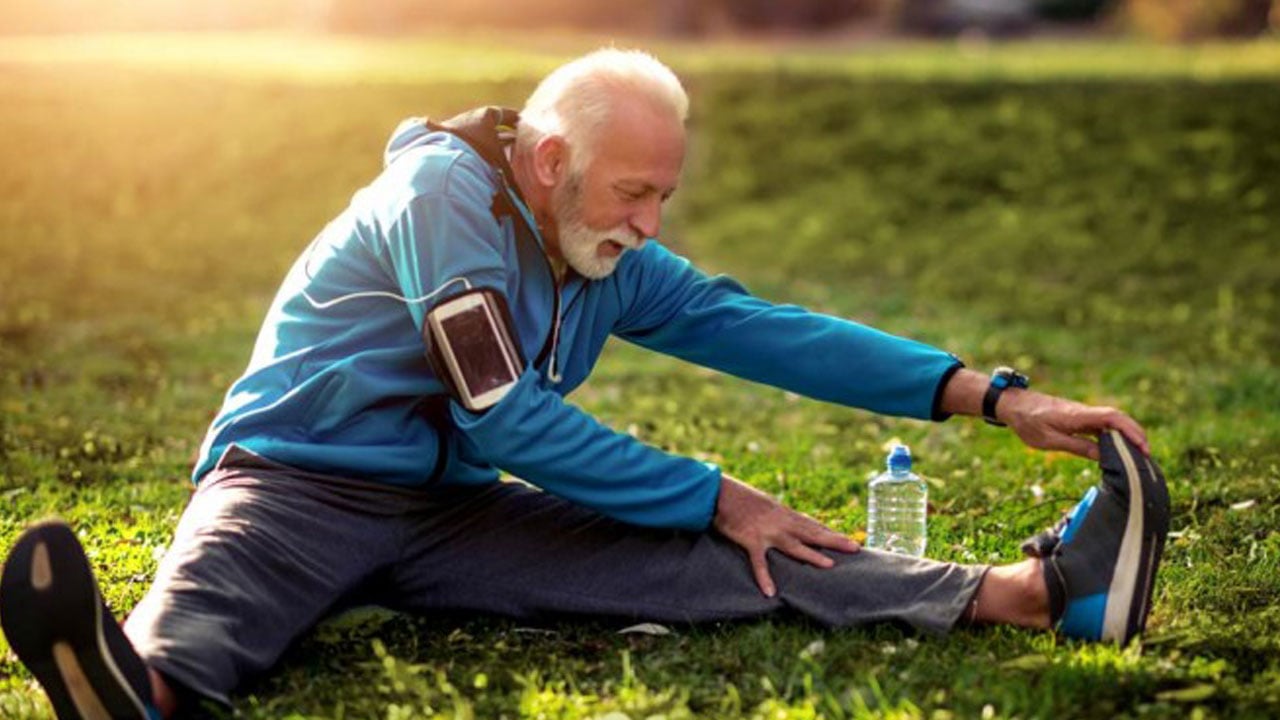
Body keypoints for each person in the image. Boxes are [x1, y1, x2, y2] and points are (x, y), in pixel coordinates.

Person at [0, 48, 1169, 720]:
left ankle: (1037, 594)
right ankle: (131, 691)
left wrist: (995, 396)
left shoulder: (604, 250)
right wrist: (714, 485)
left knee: (754, 557)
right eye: (632, 194)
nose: (649, 224)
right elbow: (505, 412)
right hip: (297, 480)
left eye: (663, 197)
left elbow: (768, 331)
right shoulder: (440, 203)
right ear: (550, 160)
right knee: (210, 612)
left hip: (451, 515)